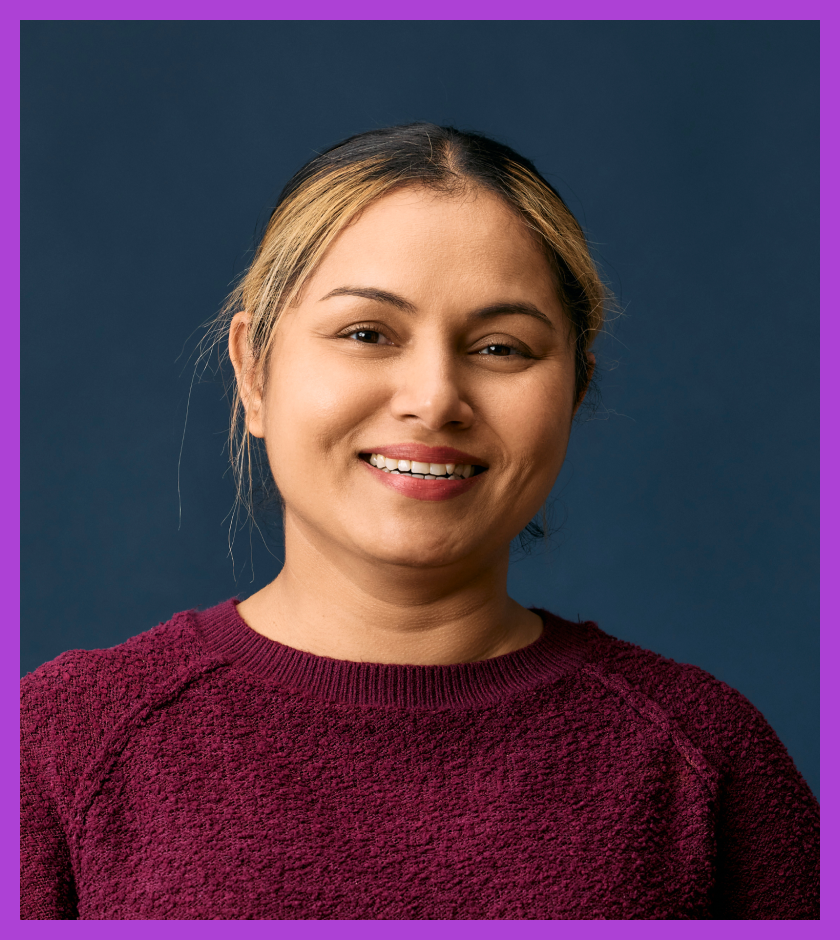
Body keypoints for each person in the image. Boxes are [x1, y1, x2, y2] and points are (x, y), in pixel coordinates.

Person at [20, 124, 819, 920]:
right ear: (253, 373)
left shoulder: (705, 757)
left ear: (574, 393)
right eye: (367, 334)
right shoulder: (62, 743)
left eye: (503, 348)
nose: (435, 397)